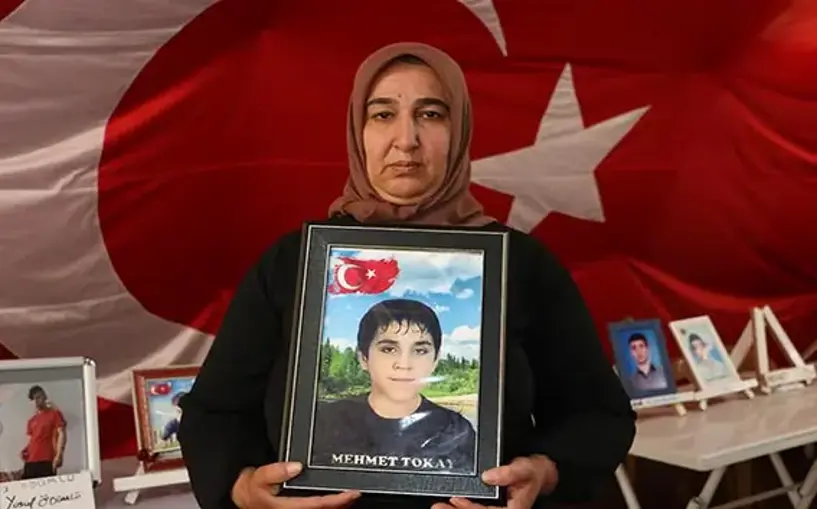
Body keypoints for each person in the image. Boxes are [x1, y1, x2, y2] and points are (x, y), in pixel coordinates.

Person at [178, 42, 636, 509]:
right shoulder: (294, 263)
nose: (406, 139)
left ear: (459, 130)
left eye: (431, 114)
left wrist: (545, 471)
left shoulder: (521, 265)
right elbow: (214, 410)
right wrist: (243, 488)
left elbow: (596, 414)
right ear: (358, 131)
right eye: (382, 115)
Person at [312, 298, 476, 473]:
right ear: (363, 358)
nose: (404, 364)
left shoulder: (456, 430)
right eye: (389, 349)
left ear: (435, 360)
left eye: (420, 351)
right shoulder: (324, 421)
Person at [20, 385, 66, 479]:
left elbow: (61, 434)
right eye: (33, 399)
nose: (36, 401)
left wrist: (59, 455)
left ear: (44, 397)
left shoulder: (54, 414)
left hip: (46, 459)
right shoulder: (31, 420)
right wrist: (25, 450)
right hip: (30, 461)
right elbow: (33, 440)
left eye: (38, 397)